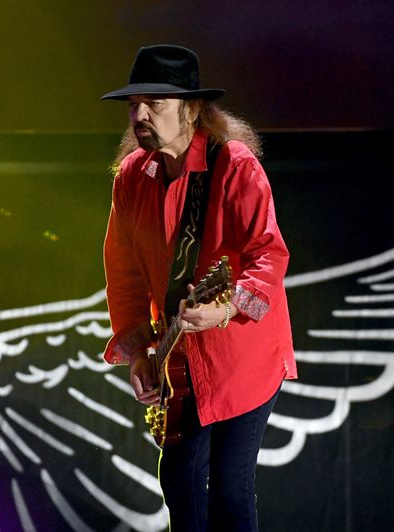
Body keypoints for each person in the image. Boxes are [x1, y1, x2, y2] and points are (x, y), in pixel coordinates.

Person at [101, 44, 297, 532]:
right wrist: (142, 348)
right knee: (180, 482)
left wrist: (226, 309)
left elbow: (268, 255)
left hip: (242, 356)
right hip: (179, 359)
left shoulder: (234, 165)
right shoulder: (131, 177)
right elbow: (122, 272)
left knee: (230, 488)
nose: (139, 115)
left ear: (190, 109)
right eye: (133, 105)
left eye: (155, 104)